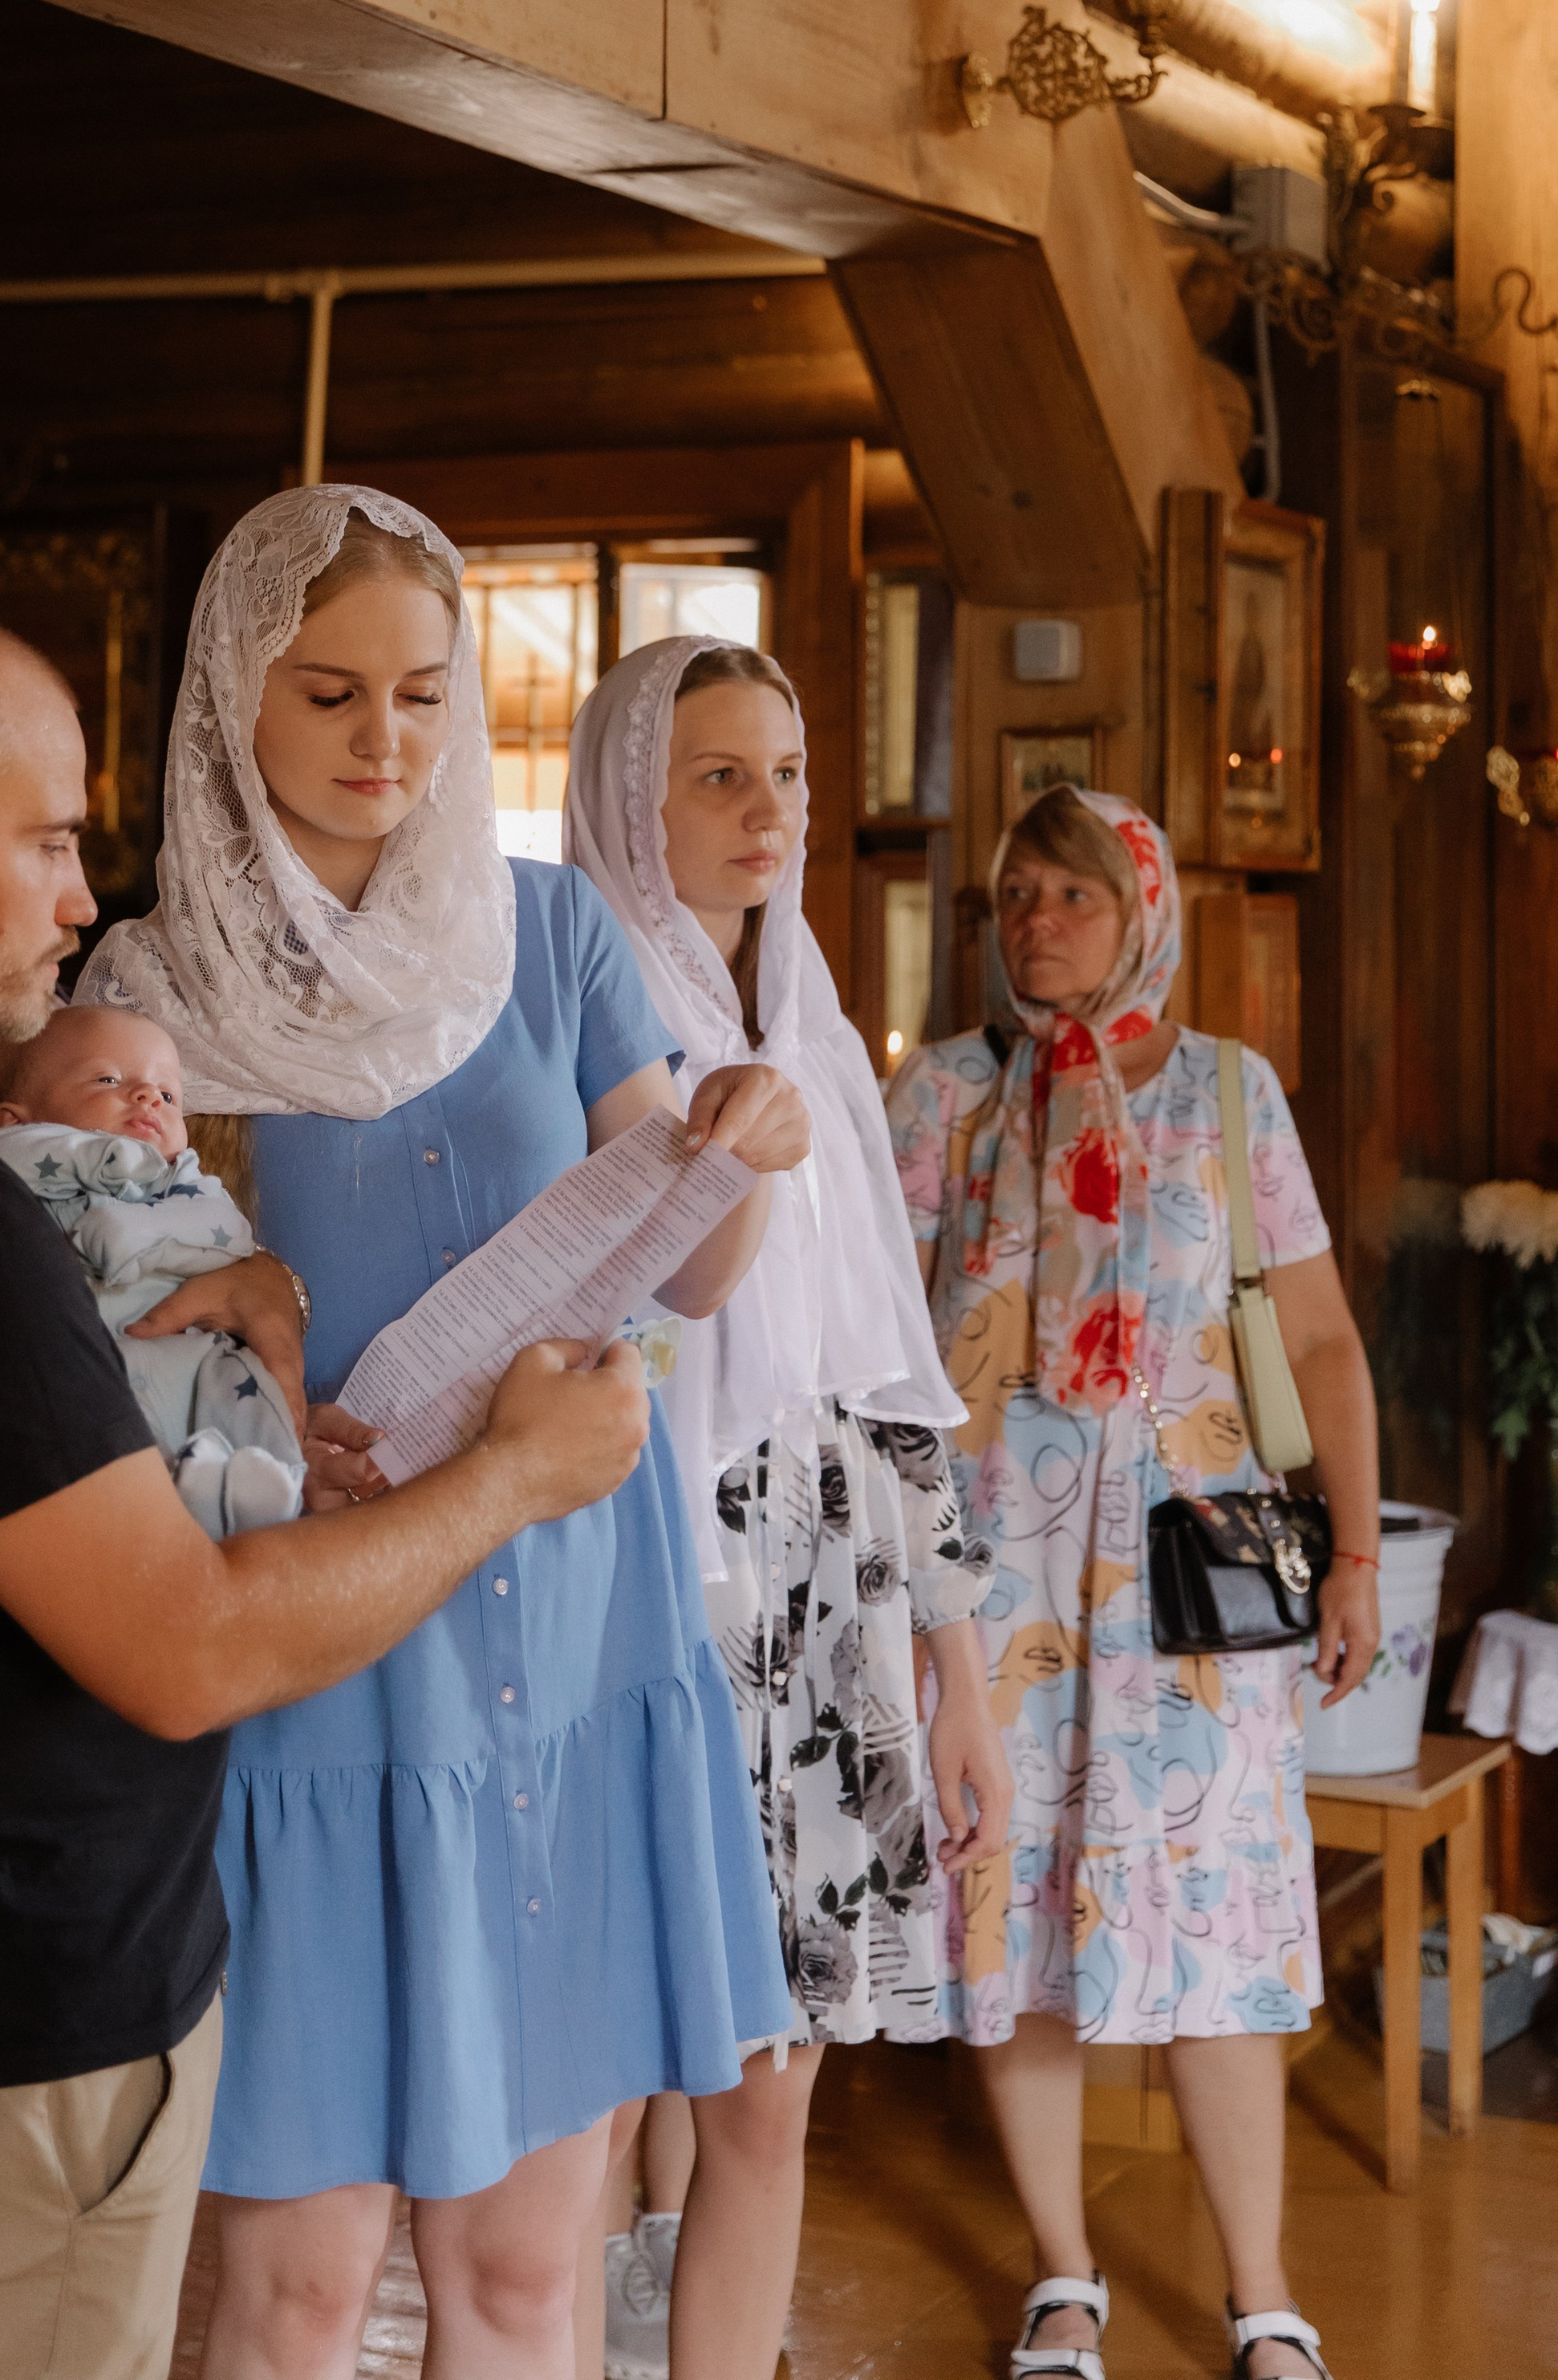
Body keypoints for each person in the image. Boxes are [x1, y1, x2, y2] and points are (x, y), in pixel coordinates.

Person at [0, 595, 653, 2380]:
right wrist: (512, 1480)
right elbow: (191, 1648)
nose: (82, 900)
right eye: (43, 841)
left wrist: (253, 1324)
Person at [77, 485, 800, 2380]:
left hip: (568, 1620)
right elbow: (89, 1312)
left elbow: (692, 1264)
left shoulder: (550, 933)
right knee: (298, 2289)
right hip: (315, 1644)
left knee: (520, 2278)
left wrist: (740, 1138)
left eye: (419, 695)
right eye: (327, 694)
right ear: (229, 691)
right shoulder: (147, 986)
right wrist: (240, 1353)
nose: (381, 743)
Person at [885, 786, 1382, 2380]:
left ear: (1141, 912)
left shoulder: (1229, 1094)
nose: (1036, 923)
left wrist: (1355, 1553)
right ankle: (1062, 2279)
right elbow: (876, 1348)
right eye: (1016, 895)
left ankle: (1264, 2301)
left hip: (1194, 1585)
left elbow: (1318, 1338)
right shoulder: (944, 1098)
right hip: (994, 1590)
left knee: (1218, 1936)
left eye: (1073, 895)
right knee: (1012, 1927)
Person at [562, 637, 1011, 2380]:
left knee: (773, 2087)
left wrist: (956, 1680)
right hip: (640, 1585)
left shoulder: (813, 1029)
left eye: (789, 774)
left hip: (827, 1604)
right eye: (719, 776)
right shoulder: (575, 1018)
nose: (769, 812)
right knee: (597, 2094)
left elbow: (889, 1384)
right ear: (633, 798)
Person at [0, 1004, 306, 1537]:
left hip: (178, 1353)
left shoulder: (180, 1180)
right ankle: (194, 1500)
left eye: (169, 1095)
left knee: (241, 1387)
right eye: (109, 1079)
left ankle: (261, 1483)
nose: (149, 1097)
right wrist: (98, 1160)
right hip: (73, 1369)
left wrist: (141, 1229)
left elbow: (227, 1235)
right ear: (14, 1121)